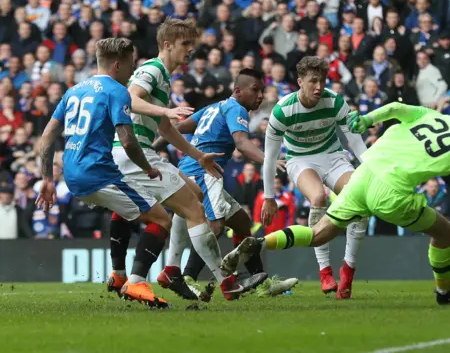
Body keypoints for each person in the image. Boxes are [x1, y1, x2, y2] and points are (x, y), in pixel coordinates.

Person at [224, 101, 450, 304]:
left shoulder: (434, 115)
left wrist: (367, 119)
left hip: (363, 175)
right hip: (392, 192)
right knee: (444, 230)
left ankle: (258, 243)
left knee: (318, 233)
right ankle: (445, 290)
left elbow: (395, 107)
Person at [106, 18, 247, 302]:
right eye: (185, 44)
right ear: (167, 45)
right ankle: (225, 282)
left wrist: (198, 155)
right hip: (134, 153)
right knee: (195, 210)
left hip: (130, 152)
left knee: (192, 195)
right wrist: (166, 112)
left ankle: (132, 276)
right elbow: (129, 99)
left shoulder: (163, 76)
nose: (190, 50)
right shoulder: (153, 69)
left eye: (192, 44)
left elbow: (165, 128)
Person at [35, 38, 172, 307]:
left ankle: (118, 276)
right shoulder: (117, 91)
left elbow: (48, 135)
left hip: (72, 175)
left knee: (123, 209)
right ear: (118, 65)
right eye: (131, 65)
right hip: (98, 173)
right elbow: (128, 140)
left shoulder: (74, 90)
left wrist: (48, 178)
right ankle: (137, 282)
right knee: (161, 219)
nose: (132, 71)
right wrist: (147, 167)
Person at [152, 68, 298, 299]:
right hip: (204, 173)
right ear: (238, 91)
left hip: (190, 171)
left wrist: (151, 150)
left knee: (241, 222)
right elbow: (241, 143)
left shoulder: (214, 107)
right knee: (216, 225)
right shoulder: (236, 108)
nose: (260, 95)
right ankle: (196, 278)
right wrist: (269, 160)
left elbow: (177, 129)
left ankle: (262, 283)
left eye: (262, 90)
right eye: (255, 90)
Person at [261, 56, 369, 299]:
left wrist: (370, 167)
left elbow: (353, 140)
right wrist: (269, 196)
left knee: (360, 198)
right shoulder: (283, 110)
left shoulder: (334, 101)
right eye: (313, 81)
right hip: (301, 160)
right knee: (318, 197)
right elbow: (270, 158)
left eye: (322, 80)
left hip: (332, 156)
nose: (319, 86)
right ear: (300, 82)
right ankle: (325, 271)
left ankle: (348, 270)